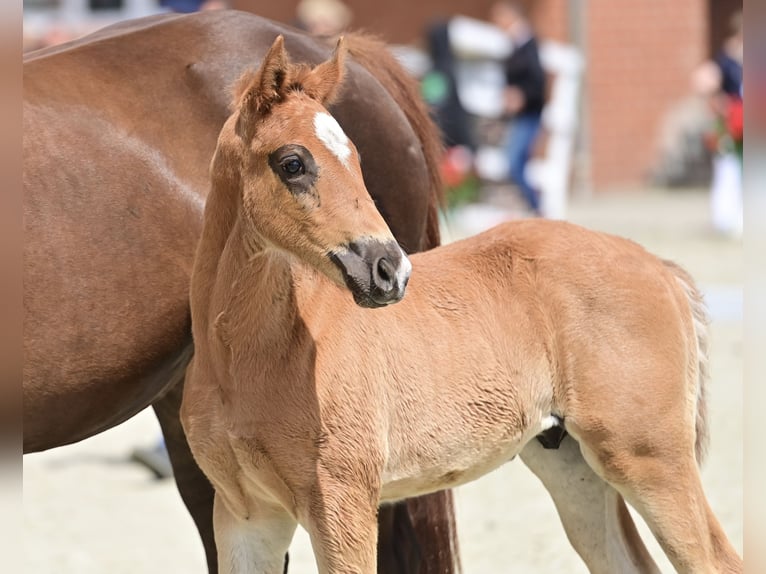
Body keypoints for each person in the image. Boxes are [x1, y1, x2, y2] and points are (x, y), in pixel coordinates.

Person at [490, 1, 546, 216]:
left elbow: (537, 82)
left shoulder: (528, 44)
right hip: (519, 115)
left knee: (514, 161)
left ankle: (536, 208)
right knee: (517, 162)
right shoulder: (515, 44)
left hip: (529, 114)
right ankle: (531, 207)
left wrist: (521, 96)